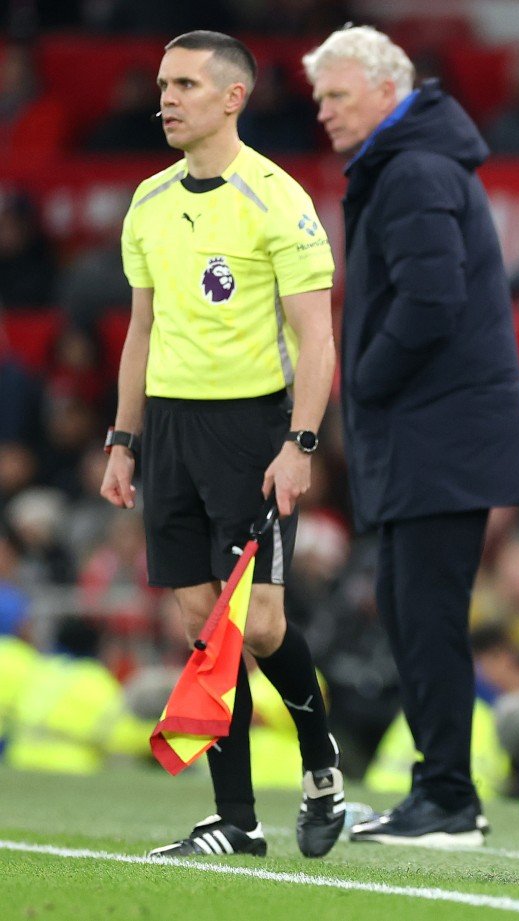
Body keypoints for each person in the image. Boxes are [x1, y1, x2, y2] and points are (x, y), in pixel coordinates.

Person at [100, 31, 343, 859]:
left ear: (234, 97)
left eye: (187, 85)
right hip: (167, 427)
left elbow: (317, 340)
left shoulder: (278, 199)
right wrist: (123, 439)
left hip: (251, 430)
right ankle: (236, 820)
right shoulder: (148, 200)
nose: (165, 98)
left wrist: (300, 442)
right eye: (163, 84)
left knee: (262, 626)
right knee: (206, 625)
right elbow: (141, 330)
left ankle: (320, 764)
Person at [304, 25, 519, 845]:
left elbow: (431, 297)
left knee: (424, 614)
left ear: (384, 88)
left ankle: (447, 799)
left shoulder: (411, 168)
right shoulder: (411, 163)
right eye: (320, 96)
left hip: (439, 436)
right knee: (412, 613)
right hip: (433, 436)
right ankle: (440, 792)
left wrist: (363, 378)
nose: (324, 111)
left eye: (336, 94)